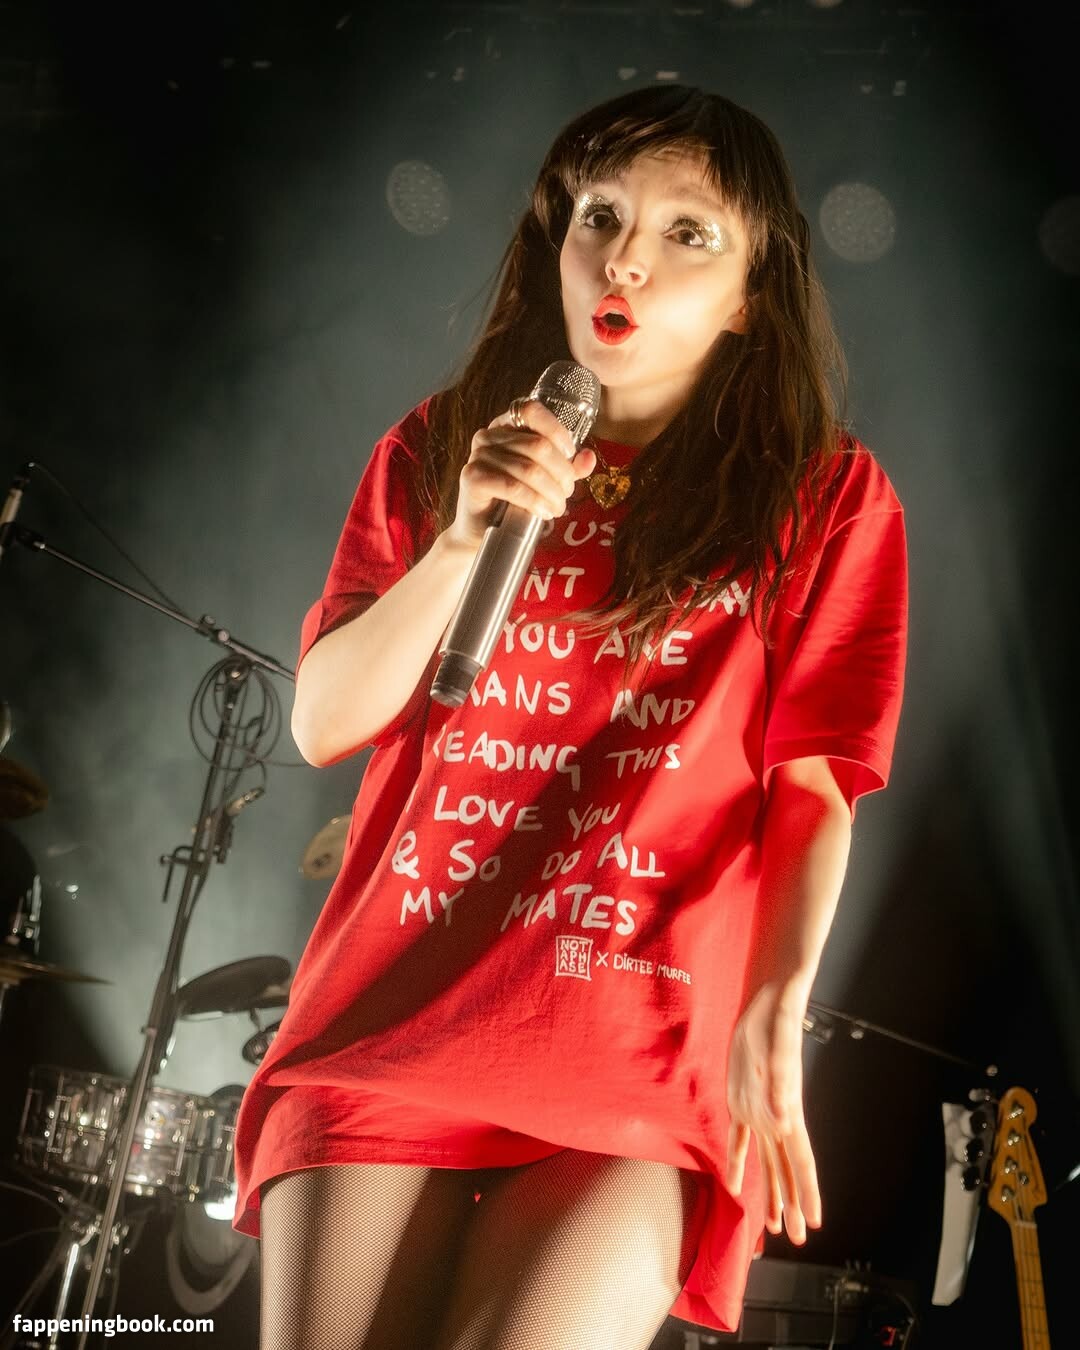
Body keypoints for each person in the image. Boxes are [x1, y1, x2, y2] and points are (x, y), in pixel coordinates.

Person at [231, 84, 907, 1350]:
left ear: (751, 295)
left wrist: (776, 1009)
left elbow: (814, 784)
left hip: (633, 1057)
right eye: (599, 216)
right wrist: (459, 544)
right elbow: (323, 721)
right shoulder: (439, 447)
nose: (626, 258)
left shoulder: (826, 499)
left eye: (688, 232)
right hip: (391, 1024)